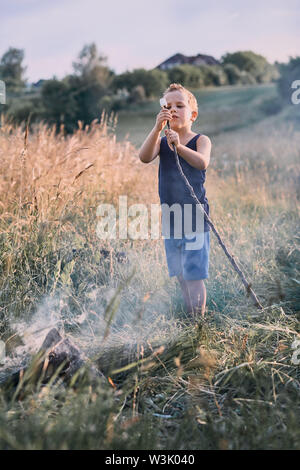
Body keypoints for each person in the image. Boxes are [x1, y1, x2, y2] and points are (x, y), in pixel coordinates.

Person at [138, 83, 211, 319]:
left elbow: (202, 162)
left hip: (194, 218)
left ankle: (198, 323)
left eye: (180, 105)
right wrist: (157, 128)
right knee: (180, 274)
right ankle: (189, 317)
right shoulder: (161, 142)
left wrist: (179, 147)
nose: (174, 110)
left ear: (193, 114)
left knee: (194, 274)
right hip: (171, 218)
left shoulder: (200, 140)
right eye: (168, 107)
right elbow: (144, 157)